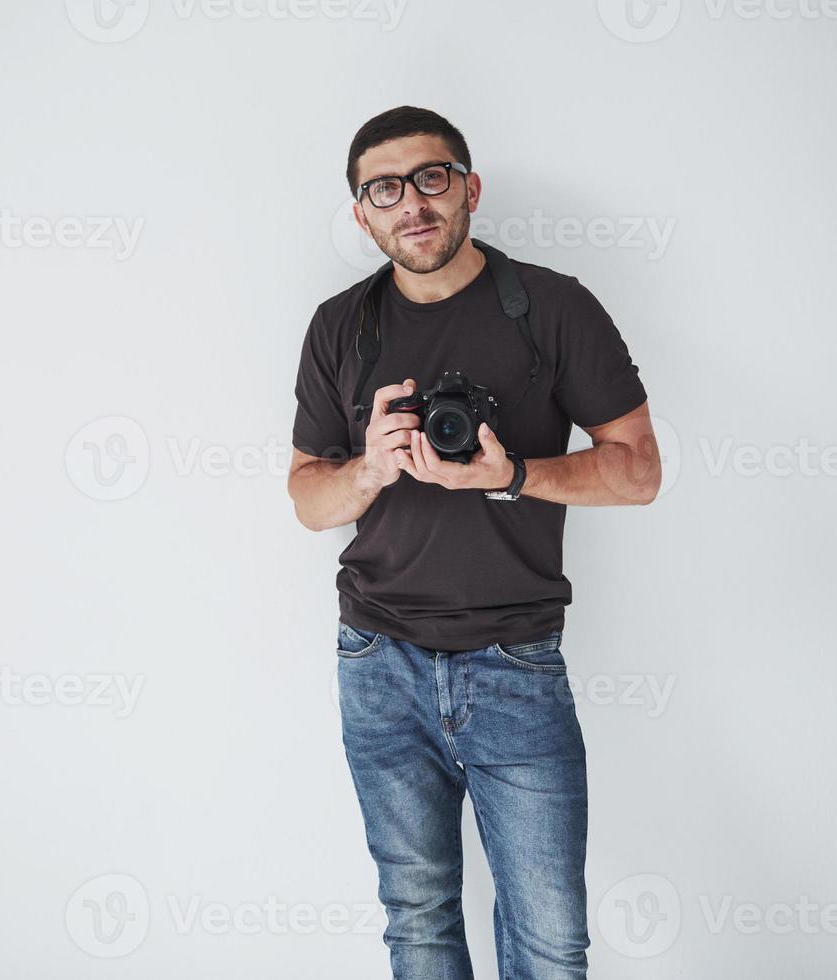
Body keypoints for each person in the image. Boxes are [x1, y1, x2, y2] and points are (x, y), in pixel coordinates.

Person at [287, 104, 661, 979]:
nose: (410, 204)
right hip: (377, 660)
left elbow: (637, 470)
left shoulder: (553, 307)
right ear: (361, 214)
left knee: (549, 939)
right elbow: (307, 497)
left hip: (515, 662)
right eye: (383, 189)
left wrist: (513, 475)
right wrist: (370, 470)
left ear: (468, 189)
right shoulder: (339, 327)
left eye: (430, 178)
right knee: (415, 920)